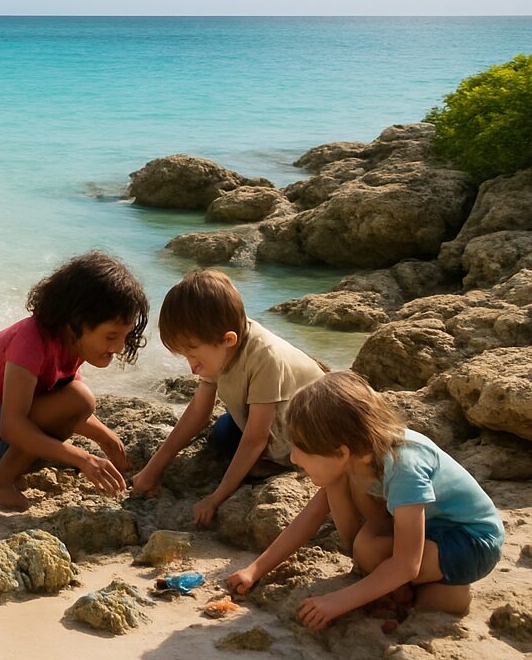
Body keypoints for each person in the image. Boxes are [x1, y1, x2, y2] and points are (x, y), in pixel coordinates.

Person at [227, 371, 505, 630]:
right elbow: (308, 519)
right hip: (426, 528)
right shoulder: (356, 456)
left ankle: (446, 589)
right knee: (366, 548)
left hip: (471, 539)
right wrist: (255, 569)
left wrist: (339, 601)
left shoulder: (403, 465)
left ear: (341, 451)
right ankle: (409, 582)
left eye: (301, 448)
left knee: (427, 602)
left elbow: (408, 563)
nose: (293, 458)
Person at [0, 251, 148, 509]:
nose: (118, 347)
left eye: (125, 336)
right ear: (75, 322)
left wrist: (108, 441)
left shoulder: (69, 344)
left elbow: (65, 408)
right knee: (79, 398)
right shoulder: (30, 340)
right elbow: (11, 427)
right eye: (110, 336)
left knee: (78, 399)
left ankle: (6, 474)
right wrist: (84, 459)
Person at [132, 269, 326, 524]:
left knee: (242, 441)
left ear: (228, 340)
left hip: (308, 436)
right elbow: (198, 412)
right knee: (222, 433)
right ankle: (260, 465)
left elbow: (256, 438)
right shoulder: (220, 346)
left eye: (195, 356)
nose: (192, 367)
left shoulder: (266, 357)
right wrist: (152, 470)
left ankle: (278, 467)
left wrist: (216, 497)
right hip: (264, 423)